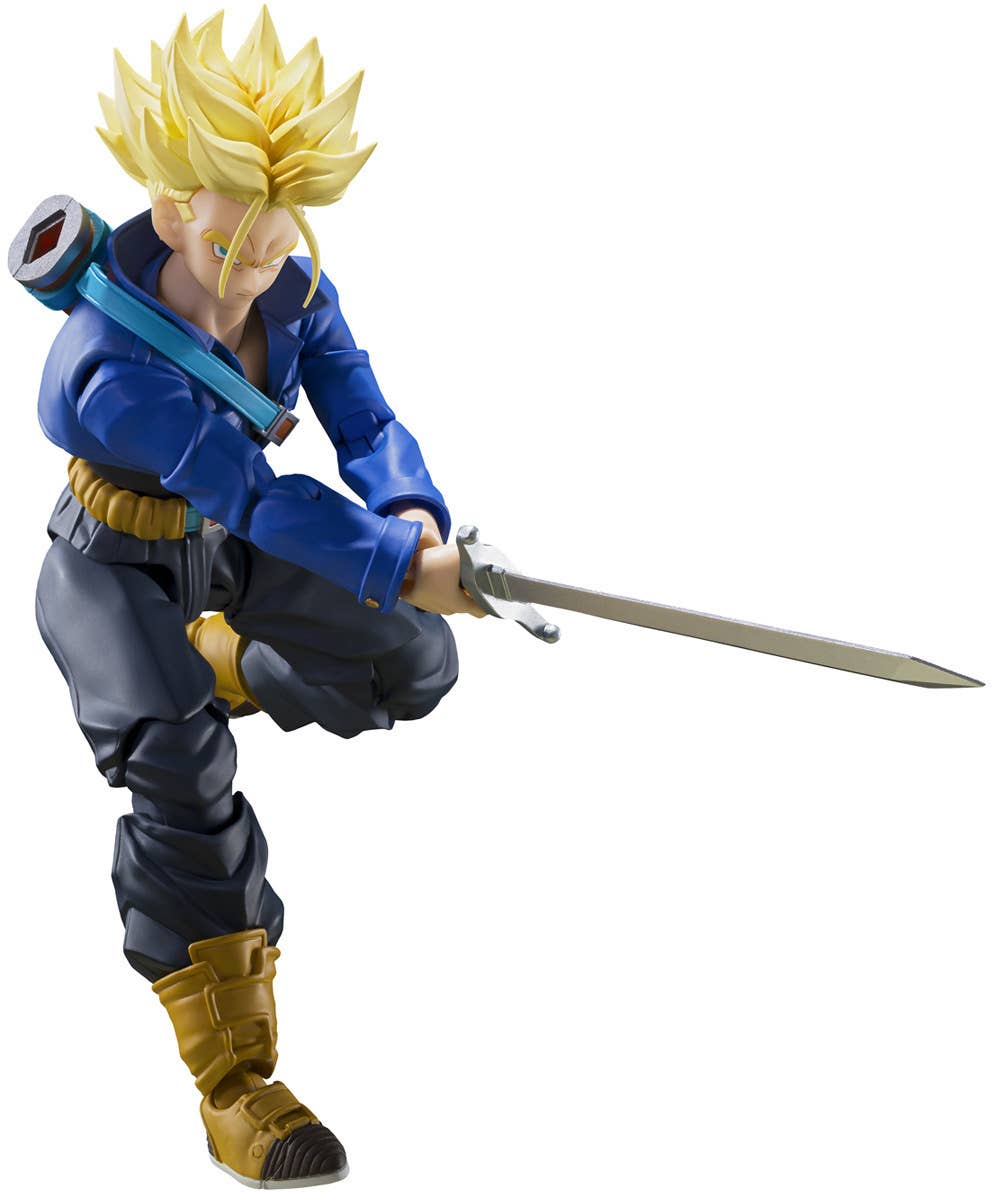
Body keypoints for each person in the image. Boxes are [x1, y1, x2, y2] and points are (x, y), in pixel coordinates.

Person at [32, 9, 480, 1186]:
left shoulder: (294, 286)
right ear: (174, 206)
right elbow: (253, 487)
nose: (256, 274)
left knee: (412, 660)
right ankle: (237, 1086)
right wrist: (390, 560)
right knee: (186, 790)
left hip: (222, 552)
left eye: (278, 249)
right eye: (236, 246)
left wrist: (410, 515)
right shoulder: (106, 360)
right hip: (112, 570)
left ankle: (222, 660)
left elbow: (362, 415)